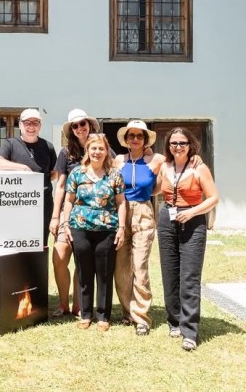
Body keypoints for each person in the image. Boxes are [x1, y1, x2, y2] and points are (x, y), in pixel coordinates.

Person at [156, 127, 219, 351]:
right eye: (173, 143)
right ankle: (174, 321)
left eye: (182, 143)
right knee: (170, 273)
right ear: (168, 145)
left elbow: (213, 198)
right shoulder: (164, 165)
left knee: (189, 276)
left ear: (190, 144)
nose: (178, 147)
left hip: (192, 219)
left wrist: (192, 212)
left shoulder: (198, 167)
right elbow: (154, 189)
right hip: (167, 218)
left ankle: (189, 330)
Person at [61, 134, 126, 332]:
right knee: (84, 271)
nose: (97, 152)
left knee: (104, 273)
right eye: (93, 148)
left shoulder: (114, 175)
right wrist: (65, 223)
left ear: (106, 152)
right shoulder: (77, 173)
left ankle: (103, 315)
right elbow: (69, 200)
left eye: (101, 149)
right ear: (87, 151)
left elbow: (121, 203)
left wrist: (121, 228)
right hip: (80, 228)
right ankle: (86, 313)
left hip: (107, 230)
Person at [113, 120, 164, 336]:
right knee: (121, 267)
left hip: (143, 211)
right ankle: (128, 312)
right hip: (120, 211)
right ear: (126, 139)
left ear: (145, 139)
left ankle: (141, 317)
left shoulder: (156, 160)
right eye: (131, 135)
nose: (135, 139)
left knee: (140, 265)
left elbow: (162, 183)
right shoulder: (118, 160)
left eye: (139, 136)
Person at [49, 109, 99, 317]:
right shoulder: (66, 153)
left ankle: (79, 305)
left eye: (82, 124)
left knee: (83, 259)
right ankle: (63, 303)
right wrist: (56, 216)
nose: (80, 128)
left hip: (92, 213)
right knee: (60, 256)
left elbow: (117, 167)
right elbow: (60, 185)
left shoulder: (100, 147)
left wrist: (147, 153)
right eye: (75, 126)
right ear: (71, 130)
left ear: (89, 125)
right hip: (68, 211)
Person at [0, 108, 57, 249]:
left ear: (40, 126)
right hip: (18, 203)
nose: (31, 127)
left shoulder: (48, 146)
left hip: (43, 204)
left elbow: (54, 173)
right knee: (16, 243)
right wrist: (22, 168)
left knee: (40, 244)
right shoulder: (10, 144)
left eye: (35, 123)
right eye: (27, 122)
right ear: (20, 124)